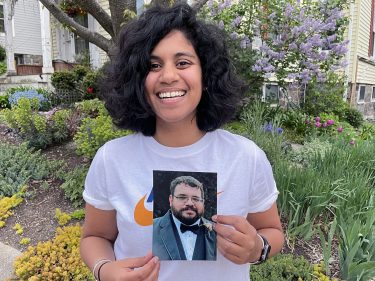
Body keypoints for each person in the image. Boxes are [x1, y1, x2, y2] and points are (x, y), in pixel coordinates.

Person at [80, 3, 284, 281]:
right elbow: (95, 236)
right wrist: (104, 270)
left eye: (183, 62)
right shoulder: (112, 159)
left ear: (207, 74)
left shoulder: (246, 156)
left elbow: (272, 232)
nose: (168, 76)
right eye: (153, 65)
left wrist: (258, 248)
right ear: (137, 80)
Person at [153, 176, 216, 261]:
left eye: (196, 198)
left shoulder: (217, 231)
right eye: (182, 197)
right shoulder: (150, 228)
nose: (190, 203)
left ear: (203, 203)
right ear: (171, 200)